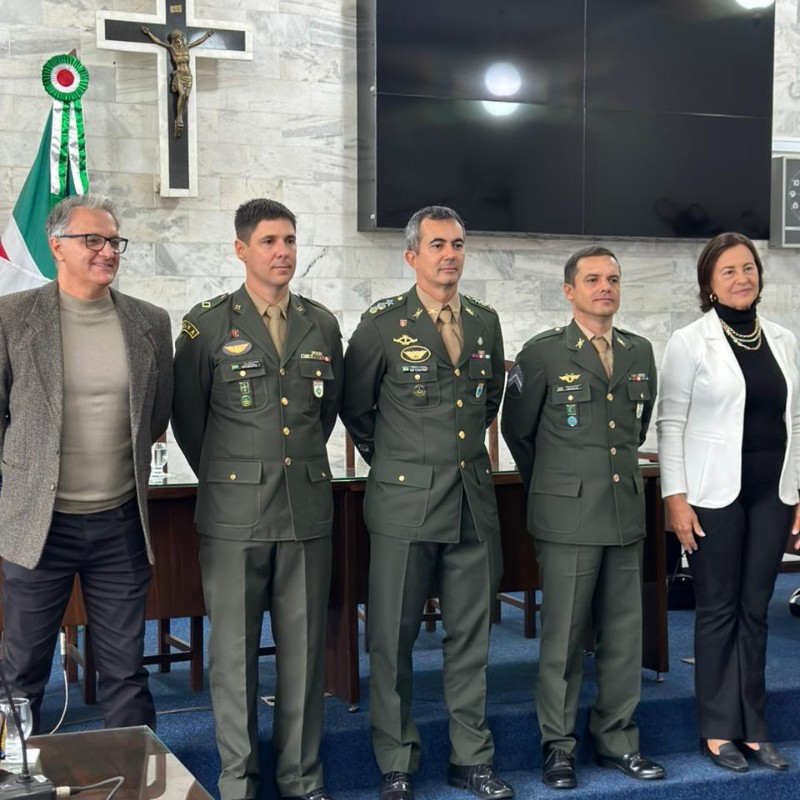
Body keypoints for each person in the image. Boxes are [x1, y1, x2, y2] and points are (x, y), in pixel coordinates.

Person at [172, 198, 343, 800]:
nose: (283, 252)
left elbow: (323, 415)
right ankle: (238, 781)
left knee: (304, 654)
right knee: (234, 657)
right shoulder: (206, 325)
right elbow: (189, 421)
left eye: (290, 240)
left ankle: (300, 778)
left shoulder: (321, 324)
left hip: (305, 512)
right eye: (269, 241)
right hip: (233, 517)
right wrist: (235, 476)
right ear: (241, 249)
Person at [341, 206, 513, 800]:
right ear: (412, 255)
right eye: (437, 245)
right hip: (404, 507)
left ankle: (472, 759)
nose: (450, 255)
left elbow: (487, 403)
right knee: (392, 640)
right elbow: (356, 408)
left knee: (471, 640)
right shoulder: (381, 325)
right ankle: (397, 762)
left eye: (458, 244)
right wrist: (398, 464)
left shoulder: (485, 322)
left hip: (471, 504)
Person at [0, 193, 173, 733]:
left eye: (114, 241)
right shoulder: (11, 317)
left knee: (126, 673)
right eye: (92, 239)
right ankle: (12, 770)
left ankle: (134, 772)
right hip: (38, 526)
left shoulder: (150, 323)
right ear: (57, 246)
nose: (108, 251)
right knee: (21, 672)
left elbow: (156, 413)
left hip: (120, 525)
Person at [501, 245, 664, 789]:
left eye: (612, 279)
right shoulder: (543, 353)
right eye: (592, 279)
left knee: (623, 635)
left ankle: (618, 740)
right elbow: (518, 432)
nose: (605, 288)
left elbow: (636, 428)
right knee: (565, 638)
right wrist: (555, 485)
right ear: (569, 290)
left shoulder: (639, 351)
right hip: (566, 516)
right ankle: (558, 747)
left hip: (623, 514)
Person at [656, 232, 800, 773]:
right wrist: (675, 498)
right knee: (718, 608)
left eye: (748, 268)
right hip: (711, 495)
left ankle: (754, 727)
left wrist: (798, 492)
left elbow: (796, 421)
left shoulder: (783, 339)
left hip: (772, 493)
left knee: (755, 610)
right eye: (728, 271)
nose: (742, 278)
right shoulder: (689, 341)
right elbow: (670, 424)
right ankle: (718, 728)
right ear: (709, 286)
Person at [140, 26, 213, 137]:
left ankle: (181, 115)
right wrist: (148, 33)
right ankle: (179, 118)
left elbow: (197, 42)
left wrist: (206, 35)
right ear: (174, 39)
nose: (181, 39)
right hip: (179, 75)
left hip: (188, 75)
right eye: (179, 38)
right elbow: (158, 42)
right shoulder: (172, 48)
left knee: (186, 96)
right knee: (182, 94)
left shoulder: (187, 47)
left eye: (181, 37)